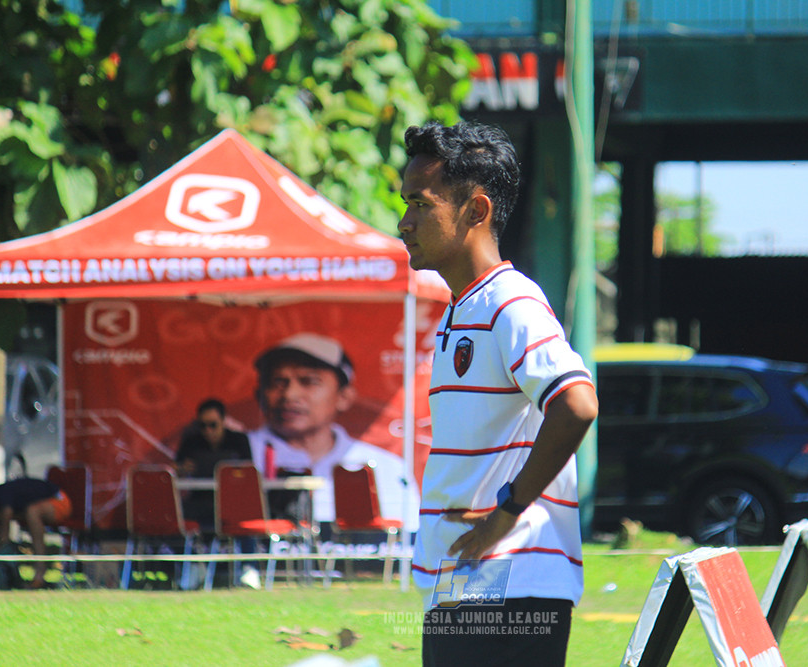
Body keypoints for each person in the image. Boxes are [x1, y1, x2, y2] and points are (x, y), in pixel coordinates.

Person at [398, 120, 599, 667]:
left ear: (476, 211)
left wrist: (506, 512)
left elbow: (577, 403)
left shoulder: (511, 302)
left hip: (507, 584)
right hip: (469, 585)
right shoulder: (465, 308)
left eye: (420, 204)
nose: (403, 222)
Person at [246, 332, 419, 531]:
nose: (290, 394)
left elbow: (410, 537)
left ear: (344, 396)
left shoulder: (385, 467)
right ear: (259, 394)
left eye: (308, 381)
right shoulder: (242, 454)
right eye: (278, 382)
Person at [0, 470, 72, 589]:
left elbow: (6, 524)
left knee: (32, 511)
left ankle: (40, 571)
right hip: (42, 506)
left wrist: (3, 542)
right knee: (29, 511)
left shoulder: (4, 492)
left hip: (60, 500)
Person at [174, 398, 253, 531]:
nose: (208, 431)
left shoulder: (239, 440)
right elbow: (175, 468)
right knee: (178, 510)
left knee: (247, 513)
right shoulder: (191, 441)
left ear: (223, 421)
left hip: (233, 501)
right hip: (200, 500)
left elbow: (249, 471)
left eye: (213, 425)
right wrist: (183, 469)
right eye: (203, 426)